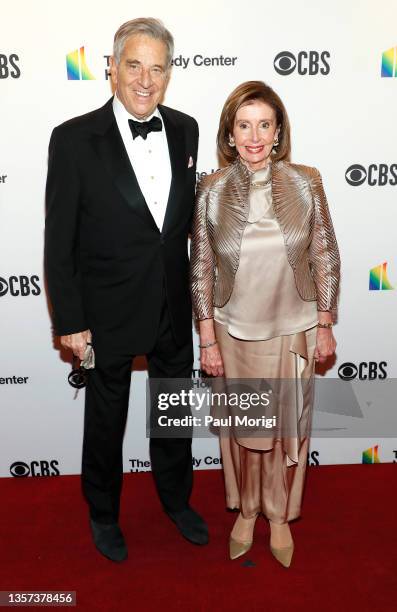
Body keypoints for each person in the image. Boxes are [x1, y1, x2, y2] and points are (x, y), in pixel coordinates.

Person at [44, 18, 208, 562]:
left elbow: (181, 225)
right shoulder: (72, 138)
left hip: (170, 302)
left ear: (169, 74)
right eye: (133, 65)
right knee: (106, 419)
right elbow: (59, 239)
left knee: (173, 411)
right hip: (105, 308)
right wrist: (69, 320)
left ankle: (176, 500)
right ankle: (103, 512)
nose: (145, 79)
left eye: (157, 68)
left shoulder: (186, 128)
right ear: (111, 68)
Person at [190, 81, 340, 567]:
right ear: (230, 134)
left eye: (265, 124)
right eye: (244, 125)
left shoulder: (306, 181)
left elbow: (324, 253)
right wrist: (207, 338)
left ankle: (279, 515)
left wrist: (324, 322)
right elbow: (201, 265)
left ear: (278, 132)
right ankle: (247, 510)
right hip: (234, 331)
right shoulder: (211, 189)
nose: (254, 136)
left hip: (291, 327)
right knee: (244, 429)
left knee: (285, 430)